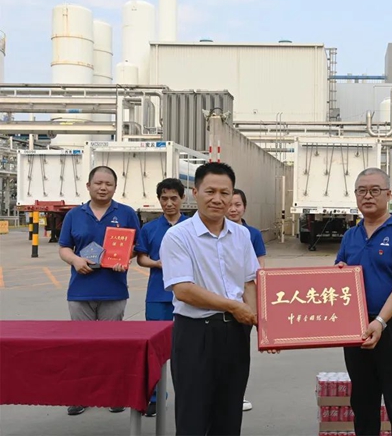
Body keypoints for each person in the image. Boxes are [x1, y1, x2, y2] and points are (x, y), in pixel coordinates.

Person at [160, 162, 259, 436]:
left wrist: (256, 320)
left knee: (229, 412)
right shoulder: (178, 236)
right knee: (193, 414)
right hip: (195, 334)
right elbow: (183, 289)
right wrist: (234, 306)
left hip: (236, 332)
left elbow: (249, 281)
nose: (218, 199)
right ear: (195, 192)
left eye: (225, 193)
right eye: (210, 191)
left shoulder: (242, 235)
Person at [335, 168, 392, 436]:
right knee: (363, 401)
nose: (367, 196)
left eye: (374, 190)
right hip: (357, 326)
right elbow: (339, 274)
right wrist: (338, 272)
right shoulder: (350, 236)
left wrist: (381, 321)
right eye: (361, 191)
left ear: (388, 195)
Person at [58, 165, 141, 416]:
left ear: (115, 188)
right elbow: (64, 247)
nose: (103, 188)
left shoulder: (126, 213)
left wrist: (124, 257)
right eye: (98, 183)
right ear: (88, 186)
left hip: (113, 290)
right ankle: (81, 395)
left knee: (112, 346)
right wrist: (75, 260)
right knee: (82, 346)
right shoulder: (74, 215)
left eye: (108, 184)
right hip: (80, 291)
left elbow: (136, 246)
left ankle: (114, 394)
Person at [135, 178, 188, 417]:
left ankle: (188, 396)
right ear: (159, 200)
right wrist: (156, 263)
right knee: (155, 351)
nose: (169, 203)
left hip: (189, 297)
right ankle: (156, 397)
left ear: (182, 199)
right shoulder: (149, 229)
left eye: (174, 198)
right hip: (157, 296)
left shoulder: (193, 226)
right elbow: (141, 257)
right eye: (164, 198)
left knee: (186, 350)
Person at [226, 188, 266, 413]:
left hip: (245, 301)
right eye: (230, 204)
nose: (233, 209)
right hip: (221, 303)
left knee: (239, 351)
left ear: (244, 207)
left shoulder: (251, 234)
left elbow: (259, 268)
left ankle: (237, 395)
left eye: (237, 205)